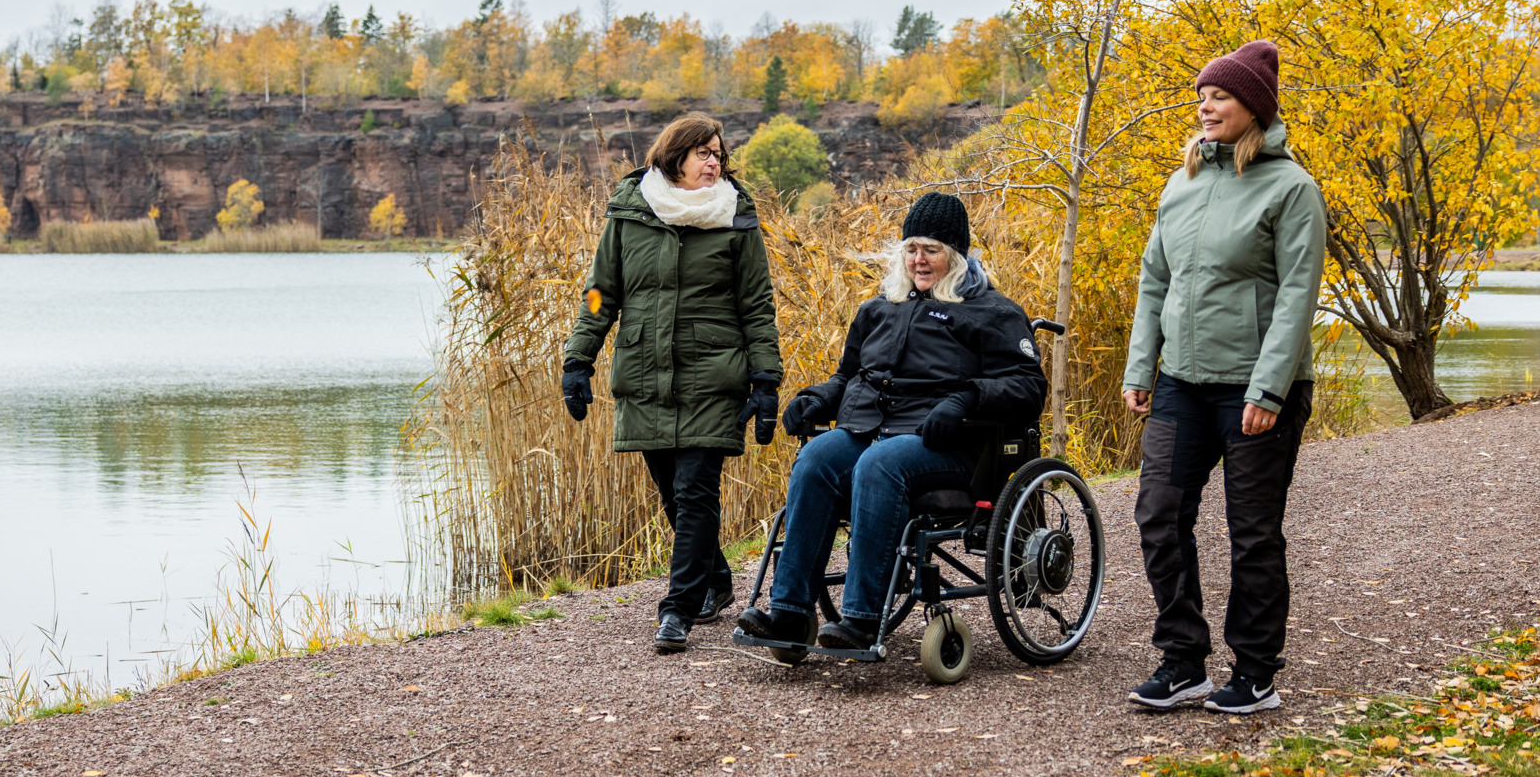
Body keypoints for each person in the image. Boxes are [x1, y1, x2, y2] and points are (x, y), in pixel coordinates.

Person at [733, 192, 1046, 654]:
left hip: (950, 444)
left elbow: (1028, 386)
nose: (918, 260)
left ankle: (861, 618)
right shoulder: (880, 308)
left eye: (931, 250)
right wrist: (818, 398)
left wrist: (966, 399)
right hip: (872, 429)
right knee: (816, 458)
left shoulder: (991, 312)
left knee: (879, 464)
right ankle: (790, 614)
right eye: (911, 249)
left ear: (956, 255)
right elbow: (848, 377)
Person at [1119, 39, 1327, 716]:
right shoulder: (1181, 183)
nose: (1206, 107)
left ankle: (1256, 673)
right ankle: (1184, 662)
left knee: (1252, 531)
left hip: (1255, 387)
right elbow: (1155, 279)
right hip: (1181, 380)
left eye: (1221, 97)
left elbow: (1297, 295)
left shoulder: (1292, 189)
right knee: (1158, 513)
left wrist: (1268, 389)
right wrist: (1141, 365)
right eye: (1202, 97)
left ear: (1254, 109)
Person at [563, 114, 783, 655]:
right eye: (703, 153)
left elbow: (756, 303)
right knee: (672, 494)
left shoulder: (736, 217)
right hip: (645, 373)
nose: (714, 163)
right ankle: (716, 580)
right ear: (675, 155)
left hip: (714, 373)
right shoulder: (630, 211)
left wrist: (766, 378)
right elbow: (599, 292)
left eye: (718, 155)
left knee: (695, 492)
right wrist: (578, 359)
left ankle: (676, 610)